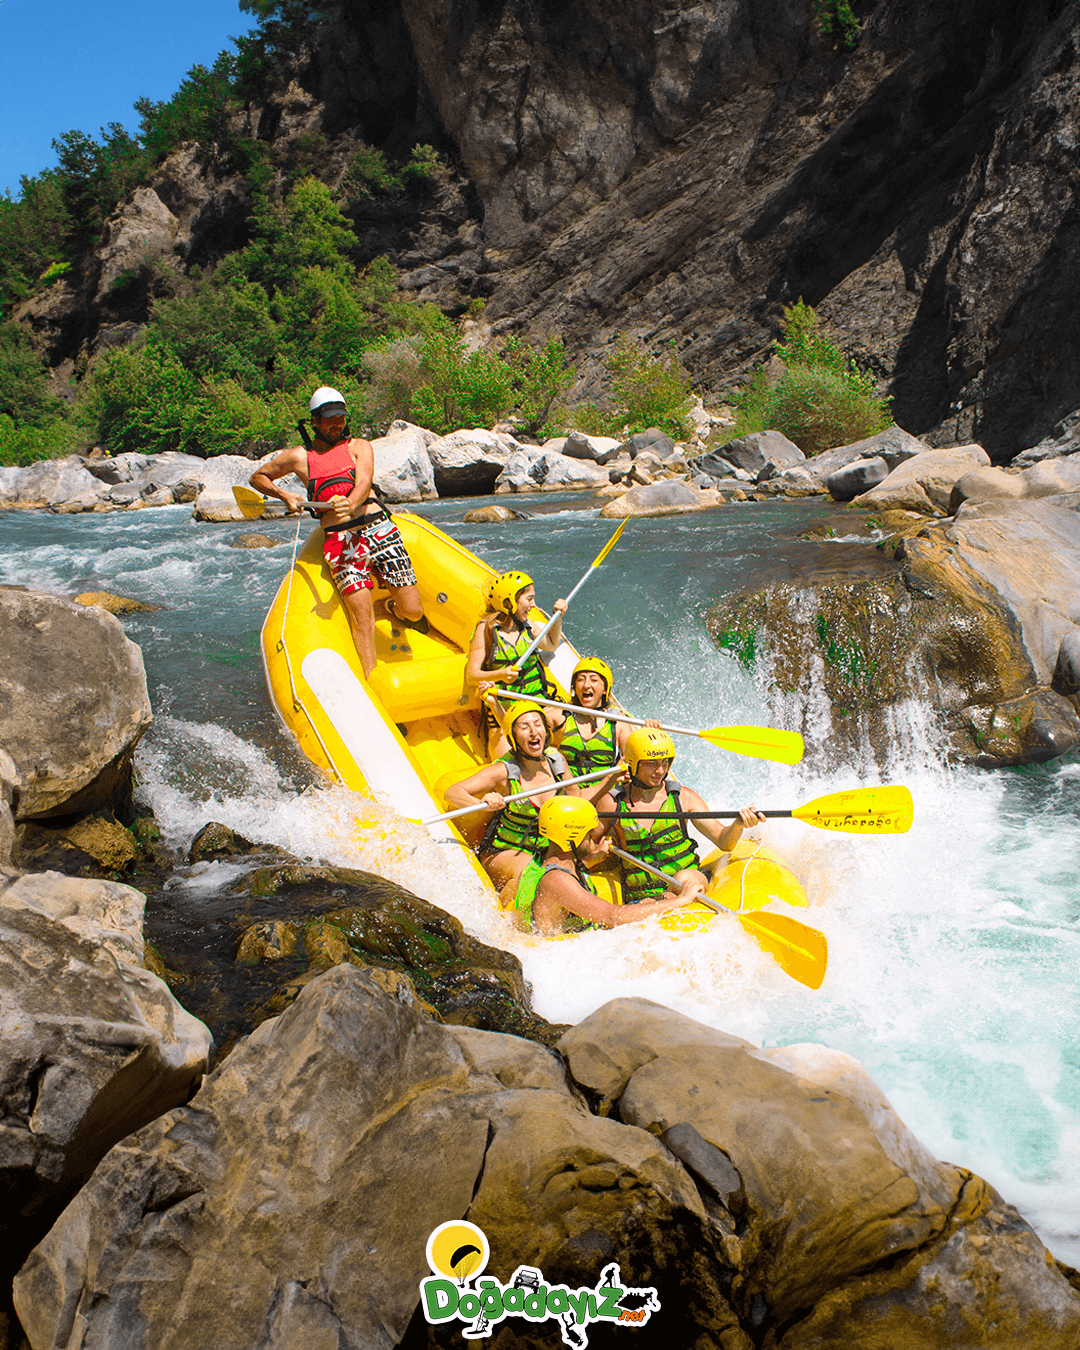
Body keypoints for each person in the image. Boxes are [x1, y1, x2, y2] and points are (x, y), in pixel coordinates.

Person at [248, 386, 424, 678]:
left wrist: (351, 502)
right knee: (362, 619)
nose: (336, 424)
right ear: (314, 421)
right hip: (341, 542)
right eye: (329, 419)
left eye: (340, 418)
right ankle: (372, 680)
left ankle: (393, 604)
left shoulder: (360, 447)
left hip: (377, 528)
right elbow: (258, 477)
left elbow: (364, 482)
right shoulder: (298, 457)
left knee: (414, 611)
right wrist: (284, 496)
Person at [443, 701, 605, 892]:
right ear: (514, 737)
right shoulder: (504, 771)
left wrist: (611, 778)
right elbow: (452, 792)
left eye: (538, 725)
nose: (533, 732)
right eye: (524, 727)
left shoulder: (557, 760)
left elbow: (576, 797)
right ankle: (504, 918)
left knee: (575, 879)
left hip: (546, 852)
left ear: (546, 731)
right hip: (504, 852)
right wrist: (481, 803)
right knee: (530, 872)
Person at [608, 728, 765, 905]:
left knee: (684, 877)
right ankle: (658, 902)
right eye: (651, 763)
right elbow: (586, 850)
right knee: (650, 900)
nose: (660, 770)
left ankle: (666, 900)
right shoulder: (612, 804)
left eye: (665, 762)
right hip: (641, 894)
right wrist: (599, 847)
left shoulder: (684, 797)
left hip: (686, 881)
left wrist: (738, 824)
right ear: (633, 763)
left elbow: (724, 842)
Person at [504, 796, 693, 936]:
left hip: (564, 944)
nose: (594, 839)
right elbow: (613, 916)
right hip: (559, 958)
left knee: (656, 900)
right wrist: (681, 901)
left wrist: (593, 858)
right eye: (589, 834)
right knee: (667, 901)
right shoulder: (557, 880)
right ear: (573, 839)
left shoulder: (542, 863)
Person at [466, 570, 567, 757]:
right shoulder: (485, 630)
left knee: (565, 723)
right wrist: (500, 674)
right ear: (510, 601)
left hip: (536, 707)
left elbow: (551, 645)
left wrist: (558, 617)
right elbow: (472, 675)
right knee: (509, 761)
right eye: (529, 599)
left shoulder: (526, 625)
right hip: (504, 714)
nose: (533, 604)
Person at [553, 656, 662, 773]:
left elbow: (634, 759)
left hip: (608, 789)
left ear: (605, 689)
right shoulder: (560, 716)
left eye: (593, 680)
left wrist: (646, 737)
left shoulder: (618, 721)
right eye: (580, 680)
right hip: (568, 790)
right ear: (574, 686)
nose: (586, 685)